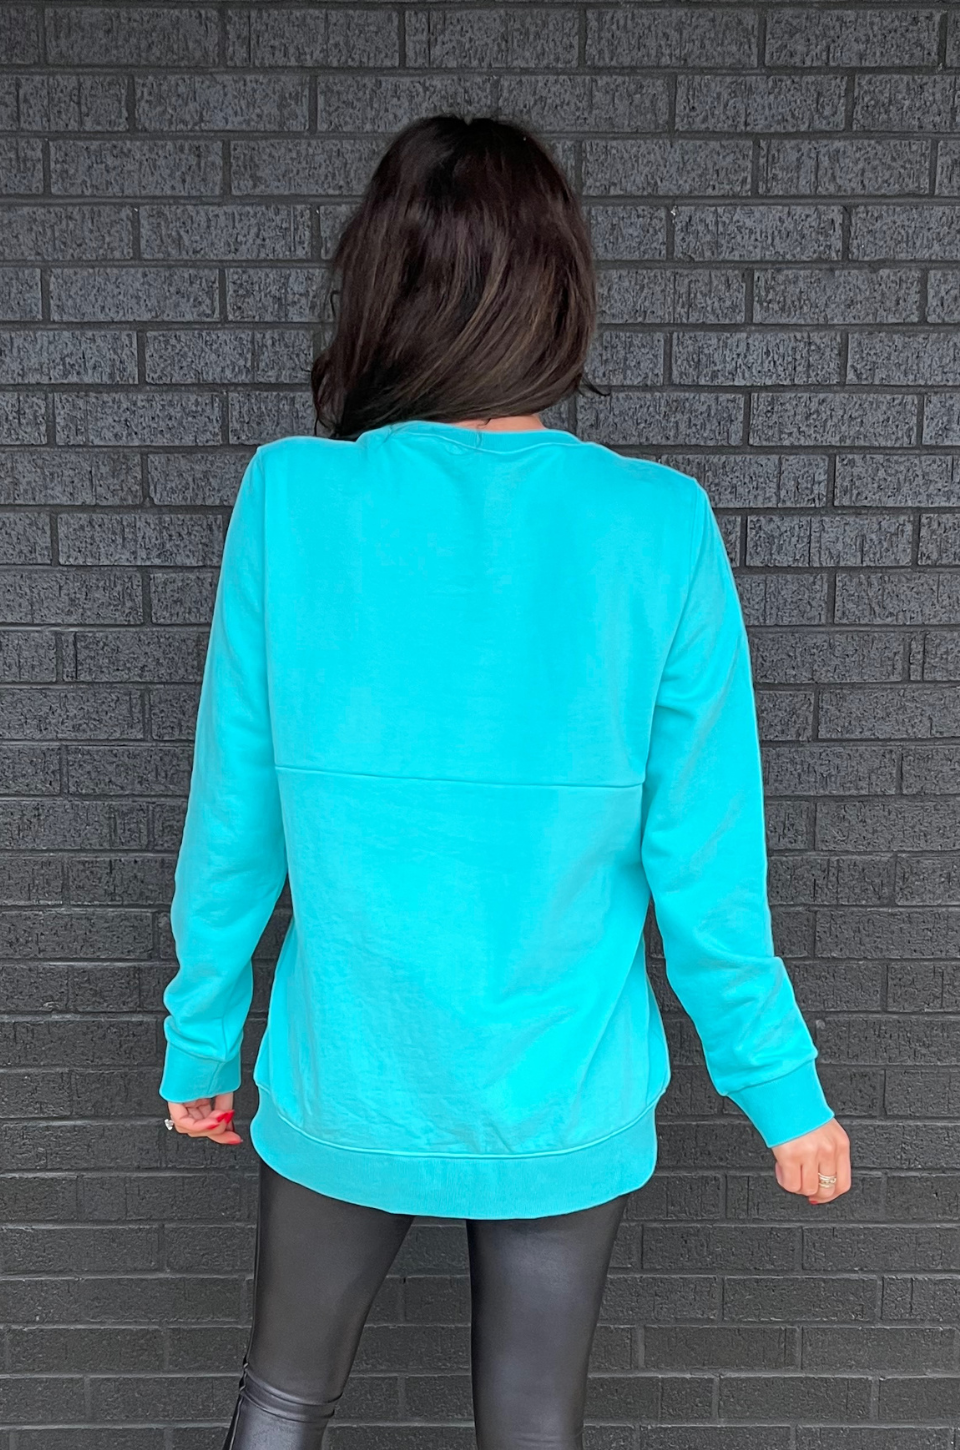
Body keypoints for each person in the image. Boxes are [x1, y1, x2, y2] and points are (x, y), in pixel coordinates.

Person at [158, 114, 852, 1449]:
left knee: (282, 1402)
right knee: (533, 1428)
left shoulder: (292, 498)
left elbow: (233, 822)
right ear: (558, 291)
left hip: (347, 1073)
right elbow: (706, 867)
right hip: (561, 1092)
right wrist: (786, 1095)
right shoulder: (659, 524)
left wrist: (202, 1043)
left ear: (382, 283)